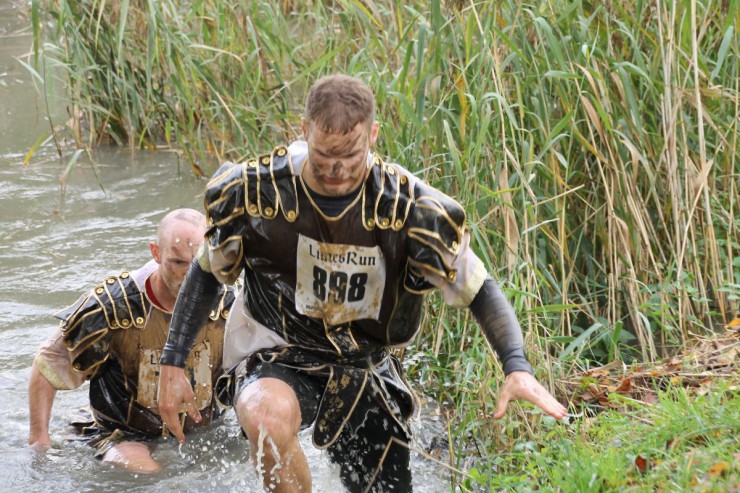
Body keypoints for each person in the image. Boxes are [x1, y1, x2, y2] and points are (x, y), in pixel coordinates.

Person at [157, 75, 567, 492]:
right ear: (304, 132)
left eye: (351, 156)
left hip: (365, 364)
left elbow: (477, 287)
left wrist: (516, 366)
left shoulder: (408, 209)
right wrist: (172, 363)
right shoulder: (257, 193)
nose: (336, 171)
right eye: (323, 156)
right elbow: (206, 271)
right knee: (265, 417)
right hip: (277, 346)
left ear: (373, 135)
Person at [28, 208, 235, 473]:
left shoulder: (228, 301)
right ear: (156, 253)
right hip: (123, 432)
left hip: (204, 429)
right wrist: (39, 442)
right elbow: (47, 366)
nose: (189, 276)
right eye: (178, 262)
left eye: (197, 264)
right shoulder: (113, 307)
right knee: (148, 475)